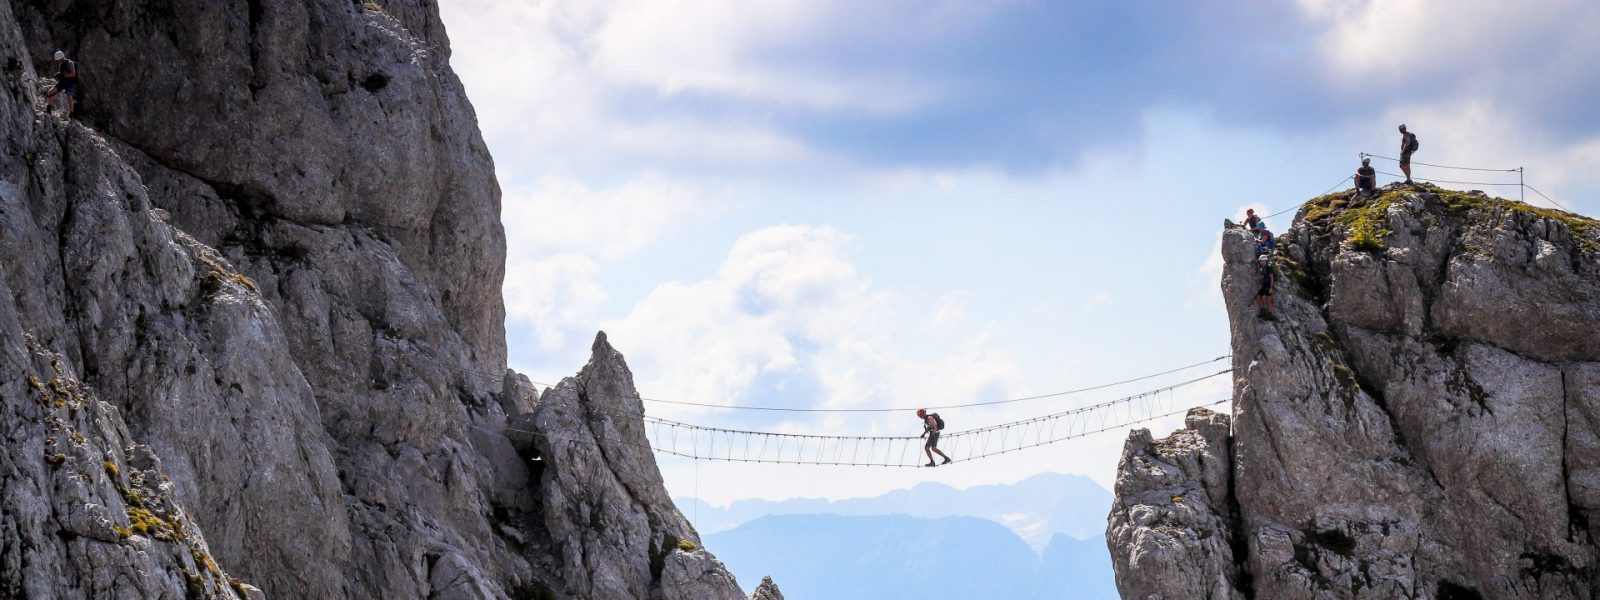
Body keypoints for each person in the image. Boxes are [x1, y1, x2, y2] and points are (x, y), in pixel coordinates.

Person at [46, 50, 77, 117]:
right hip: (63, 82)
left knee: (69, 97)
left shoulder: (70, 63)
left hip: (70, 82)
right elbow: (63, 72)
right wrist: (59, 74)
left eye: (59, 60)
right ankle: (48, 110)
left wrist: (64, 75)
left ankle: (71, 114)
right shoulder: (61, 64)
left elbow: (73, 74)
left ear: (62, 58)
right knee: (50, 92)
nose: (58, 61)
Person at [1255, 254, 1275, 320]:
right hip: (1264, 286)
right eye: (1260, 261)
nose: (1260, 262)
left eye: (1261, 261)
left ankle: (1270, 314)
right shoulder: (1262, 269)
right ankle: (1263, 311)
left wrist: (1271, 287)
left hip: (1268, 286)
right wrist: (1256, 278)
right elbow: (1263, 276)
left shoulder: (1268, 268)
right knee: (1257, 298)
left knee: (1268, 300)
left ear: (1265, 261)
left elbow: (1271, 277)